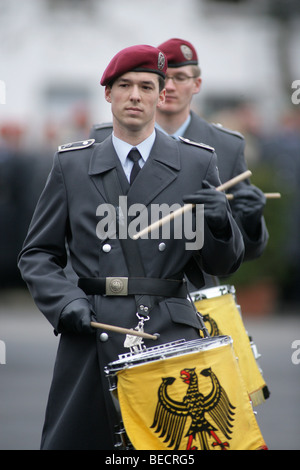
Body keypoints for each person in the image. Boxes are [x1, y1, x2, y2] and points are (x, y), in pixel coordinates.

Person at [18, 45, 244, 450]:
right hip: (91, 329)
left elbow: (220, 264)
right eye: (124, 85)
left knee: (166, 451)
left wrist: (218, 222)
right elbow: (37, 254)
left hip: (169, 334)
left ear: (162, 95)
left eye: (146, 86)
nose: (135, 95)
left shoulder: (195, 163)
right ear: (108, 94)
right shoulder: (72, 164)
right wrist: (64, 303)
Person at [90, 38, 268, 287]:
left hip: (196, 295)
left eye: (181, 78)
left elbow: (239, 253)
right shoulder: (102, 139)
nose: (171, 86)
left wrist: (249, 221)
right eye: (166, 78)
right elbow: (82, 229)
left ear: (197, 84)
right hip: (118, 289)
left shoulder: (226, 146)